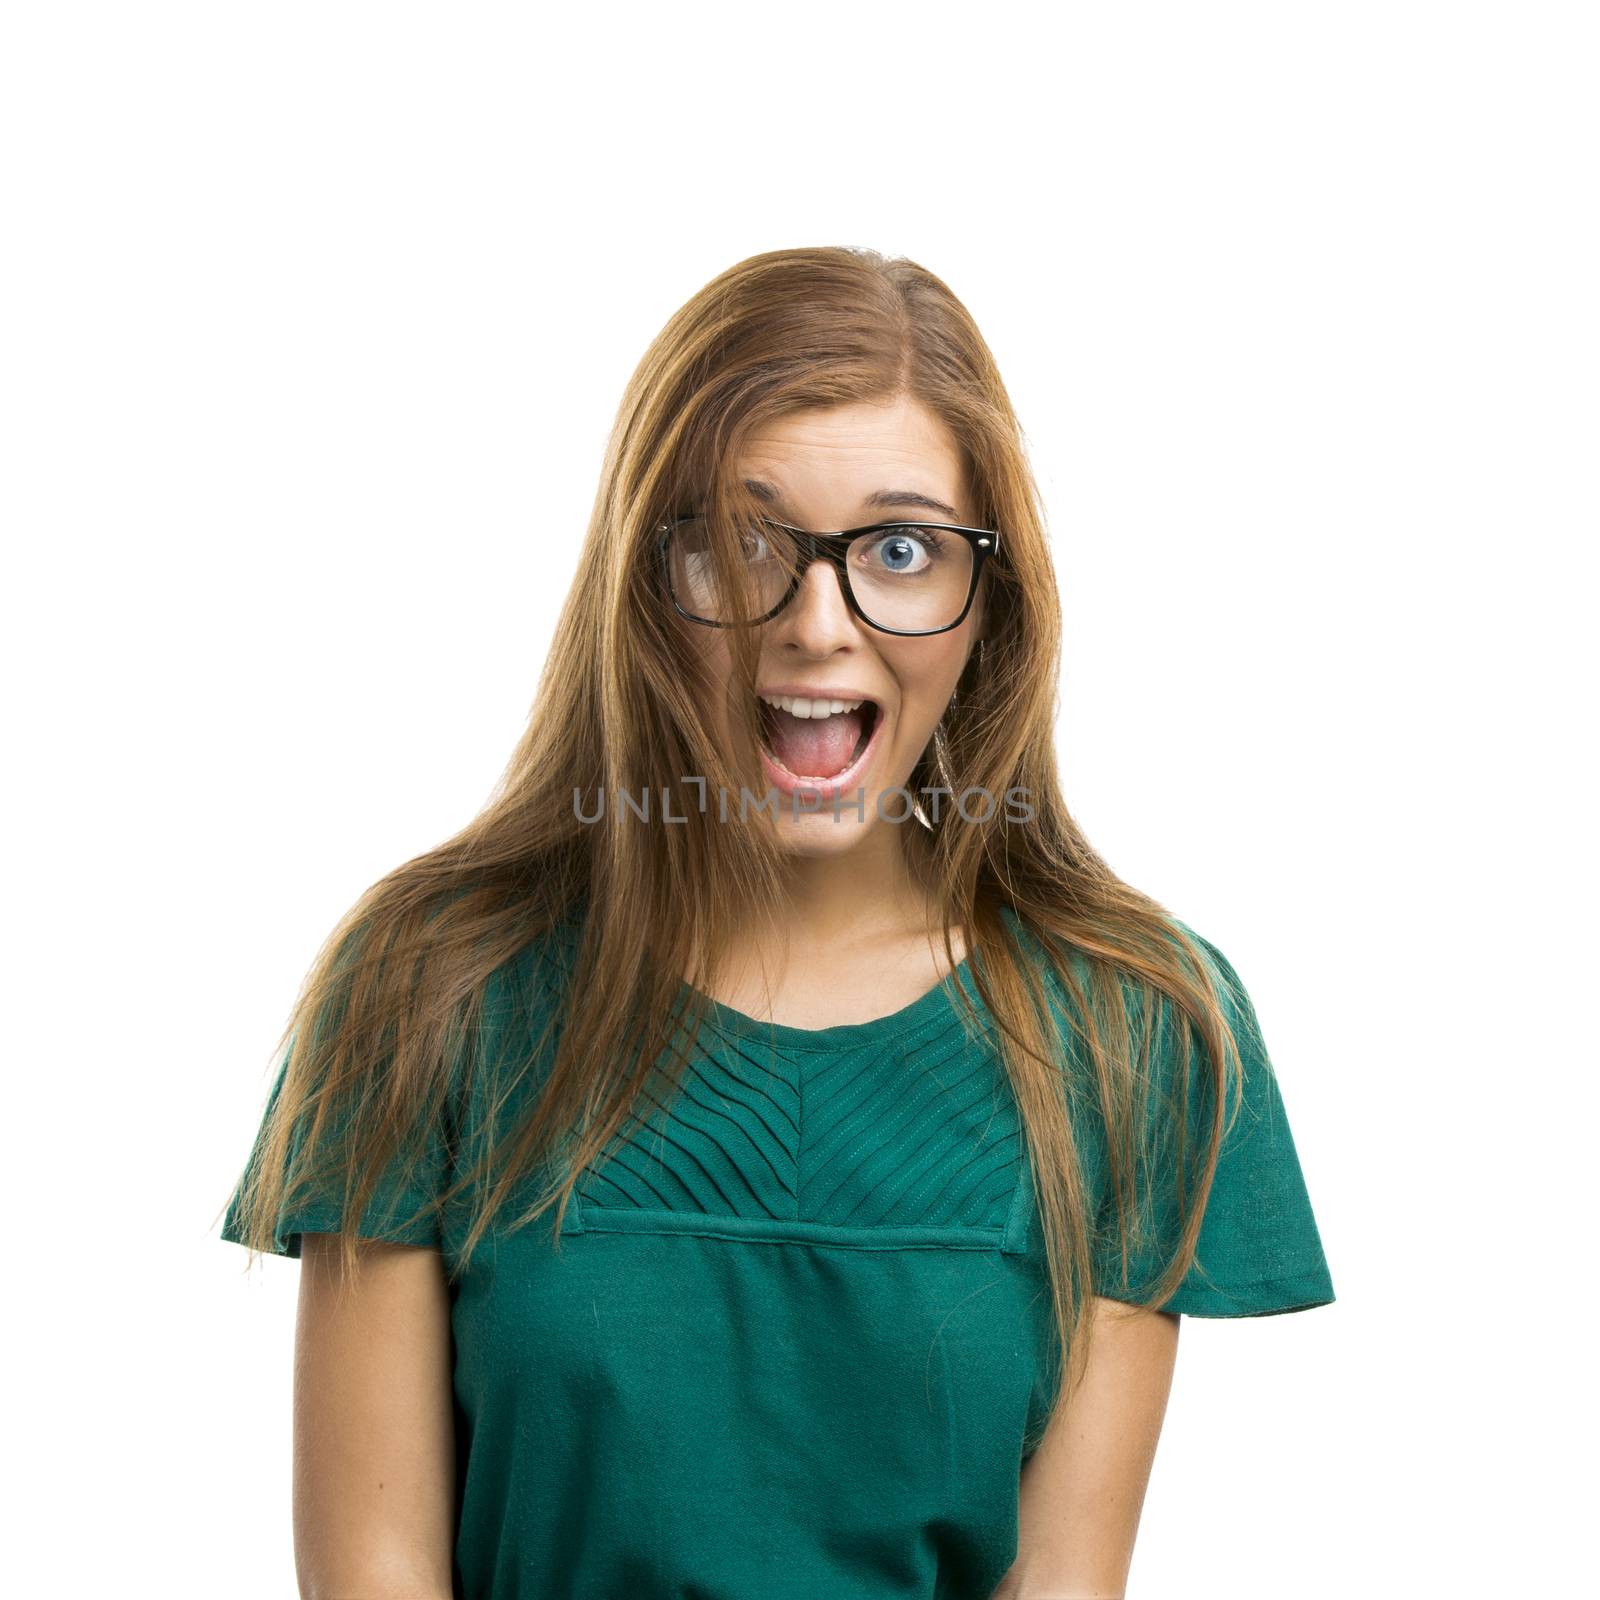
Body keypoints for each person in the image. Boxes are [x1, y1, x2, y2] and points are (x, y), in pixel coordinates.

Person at [218, 245, 1335, 1600]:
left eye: (903, 550)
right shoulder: (432, 985)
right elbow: (375, 1570)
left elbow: (1060, 1583)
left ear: (991, 601)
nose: (816, 626)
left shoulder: (1139, 1028)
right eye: (744, 544)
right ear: (645, 583)